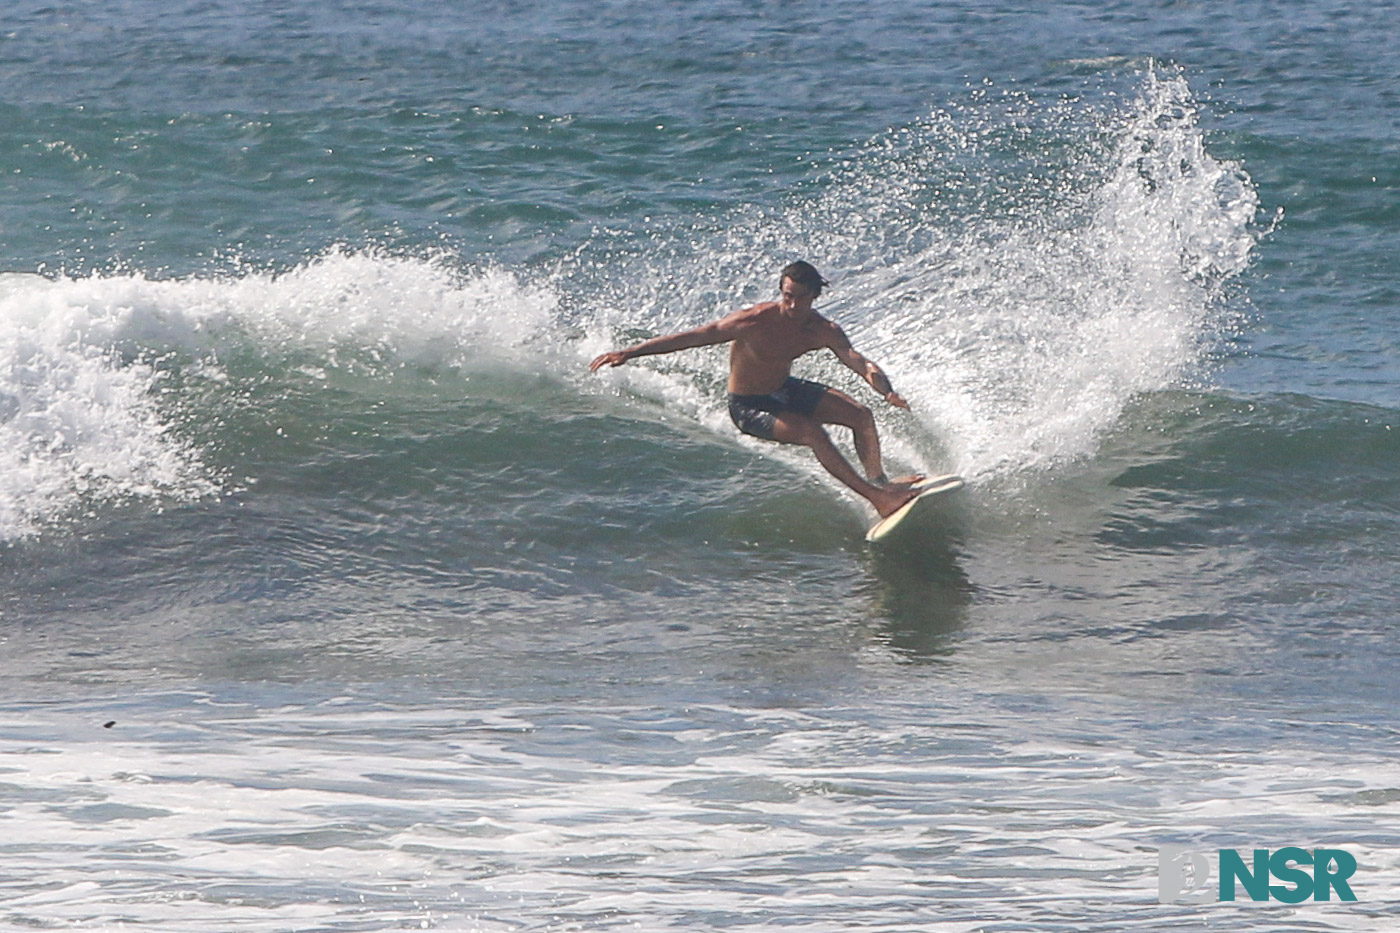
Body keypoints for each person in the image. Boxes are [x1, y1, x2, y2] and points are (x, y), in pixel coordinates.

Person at [589, 261, 922, 517]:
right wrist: (631, 352)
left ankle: (881, 483)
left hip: (783, 389)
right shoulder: (753, 322)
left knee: (861, 415)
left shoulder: (822, 330)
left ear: (815, 296)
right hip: (748, 406)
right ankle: (877, 499)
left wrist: (886, 391)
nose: (792, 306)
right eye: (787, 296)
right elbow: (695, 336)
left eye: (800, 299)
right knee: (814, 434)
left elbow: (859, 362)